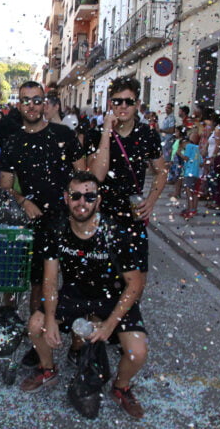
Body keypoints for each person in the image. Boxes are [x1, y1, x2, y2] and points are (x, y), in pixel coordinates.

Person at [20, 171, 148, 419]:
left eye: (89, 197)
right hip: (73, 295)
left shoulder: (114, 233)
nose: (82, 202)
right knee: (35, 326)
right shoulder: (56, 229)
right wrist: (49, 318)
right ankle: (47, 368)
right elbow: (49, 279)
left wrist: (110, 325)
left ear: (98, 201)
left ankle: (121, 387)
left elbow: (135, 284)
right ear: (67, 198)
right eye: (76, 196)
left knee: (137, 352)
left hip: (112, 298)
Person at [0, 81, 86, 367]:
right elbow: (5, 187)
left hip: (70, 220)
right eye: (26, 100)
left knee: (76, 282)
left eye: (37, 100)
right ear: (19, 104)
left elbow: (83, 176)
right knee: (39, 283)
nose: (32, 105)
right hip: (37, 222)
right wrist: (24, 202)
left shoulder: (64, 134)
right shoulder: (12, 141)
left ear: (45, 103)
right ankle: (39, 342)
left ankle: (77, 342)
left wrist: (77, 206)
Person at [86, 76, 166, 305]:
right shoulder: (97, 134)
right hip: (104, 215)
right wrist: (106, 133)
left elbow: (162, 171)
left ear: (137, 104)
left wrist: (151, 200)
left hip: (133, 215)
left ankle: (125, 327)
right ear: (110, 104)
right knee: (103, 279)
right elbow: (97, 175)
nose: (123, 107)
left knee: (137, 281)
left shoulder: (148, 135)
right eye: (117, 101)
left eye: (128, 102)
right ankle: (103, 329)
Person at [177, 133, 202, 219]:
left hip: (189, 172)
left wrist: (179, 153)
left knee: (188, 191)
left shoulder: (188, 147)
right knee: (195, 192)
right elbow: (201, 162)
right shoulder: (197, 148)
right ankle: (194, 208)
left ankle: (190, 209)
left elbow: (186, 158)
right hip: (197, 173)